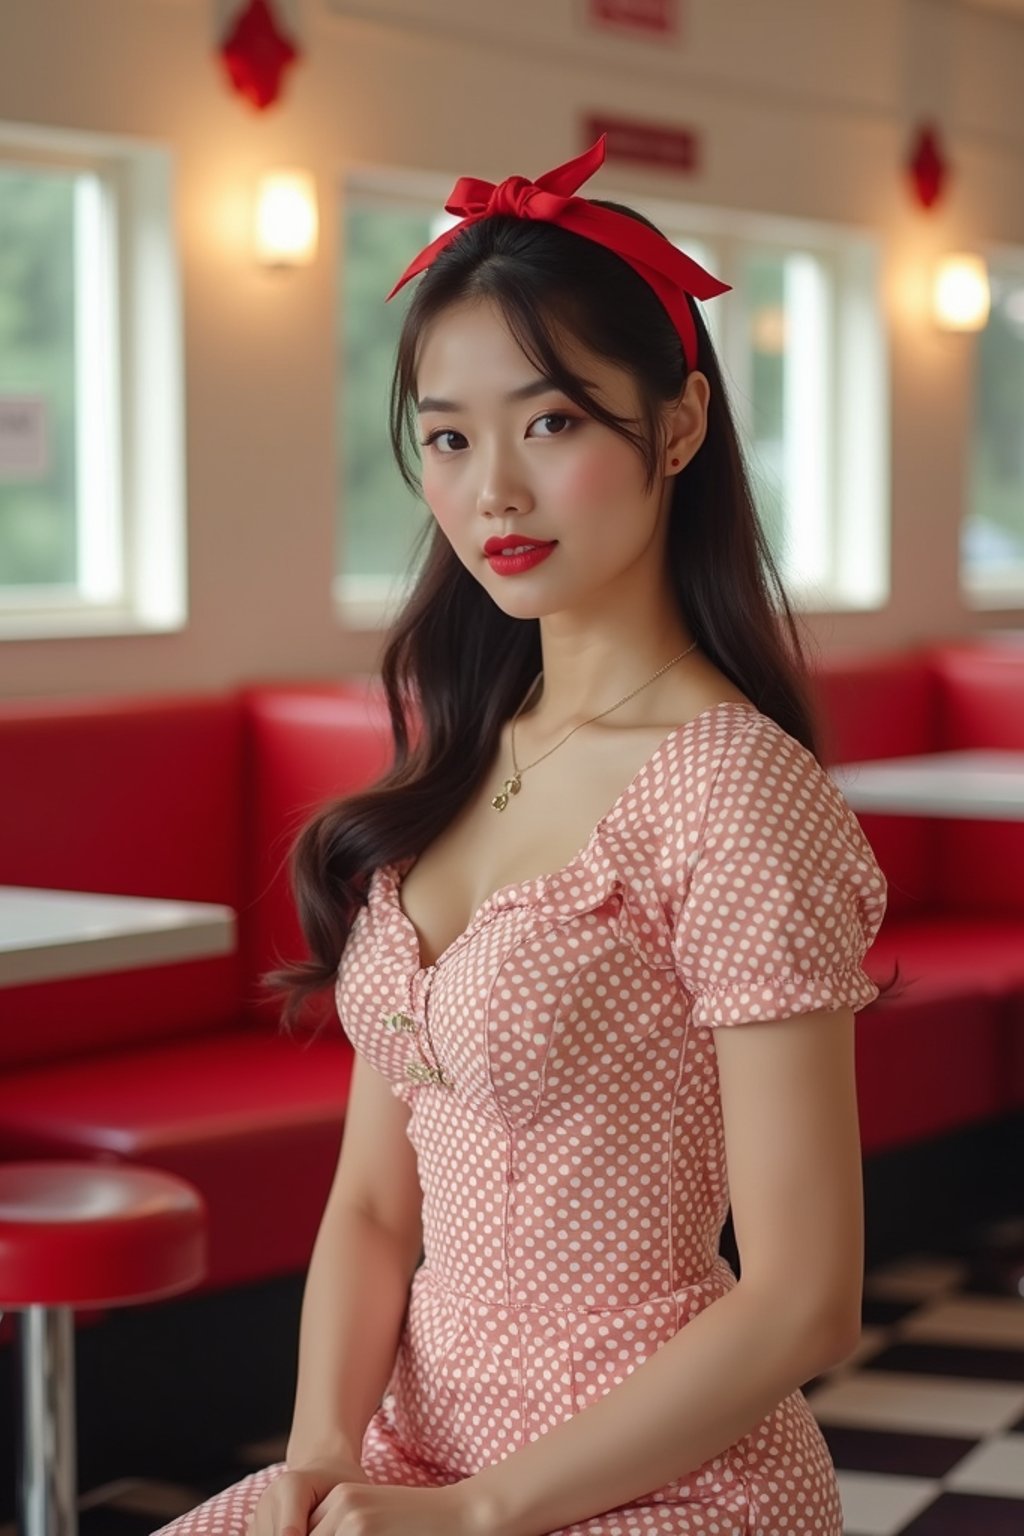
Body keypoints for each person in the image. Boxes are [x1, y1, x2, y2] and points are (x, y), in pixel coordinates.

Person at [153, 134, 891, 1536]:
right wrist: (317, 1458)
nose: (490, 489)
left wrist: (484, 1514)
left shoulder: (731, 792)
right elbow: (375, 1204)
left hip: (653, 1485)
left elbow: (806, 1300)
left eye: (550, 423)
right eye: (447, 436)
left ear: (675, 429)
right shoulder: (457, 762)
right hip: (404, 1466)